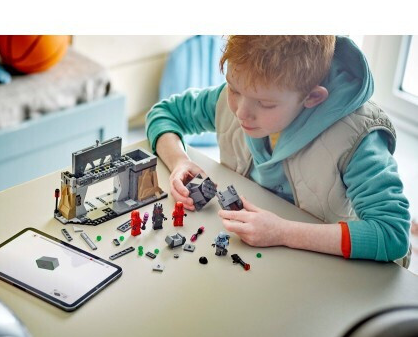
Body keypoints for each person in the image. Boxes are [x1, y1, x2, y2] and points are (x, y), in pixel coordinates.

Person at [146, 36, 411, 265]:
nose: (241, 112)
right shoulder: (251, 87)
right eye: (234, 89)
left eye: (265, 104)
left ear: (312, 97)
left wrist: (283, 232)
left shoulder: (357, 137)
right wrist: (179, 161)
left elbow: (393, 234)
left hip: (321, 271)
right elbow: (164, 114)